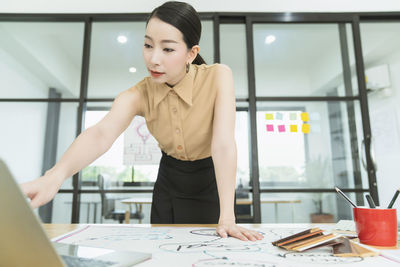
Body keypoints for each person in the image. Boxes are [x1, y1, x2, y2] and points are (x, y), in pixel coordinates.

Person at [21, 1, 263, 242]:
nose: (153, 59)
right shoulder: (138, 94)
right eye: (148, 45)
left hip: (212, 183)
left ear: (192, 53)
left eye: (168, 49)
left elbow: (222, 144)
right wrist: (53, 177)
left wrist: (228, 217)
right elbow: (101, 134)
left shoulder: (219, 76)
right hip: (169, 182)